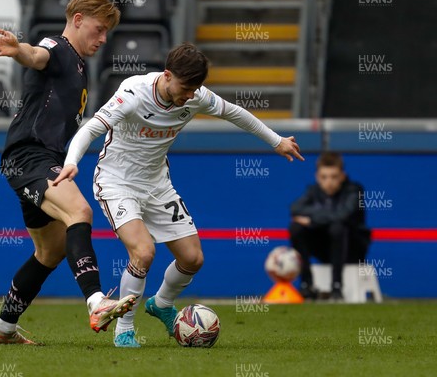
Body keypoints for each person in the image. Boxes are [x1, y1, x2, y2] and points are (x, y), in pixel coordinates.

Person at [53, 43, 304, 347]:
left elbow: (236, 114)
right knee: (144, 252)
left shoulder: (196, 96)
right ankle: (125, 330)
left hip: (157, 185)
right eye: (186, 87)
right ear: (167, 75)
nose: (190, 95)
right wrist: (71, 163)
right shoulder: (133, 93)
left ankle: (160, 304)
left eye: (195, 88)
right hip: (116, 182)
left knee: (193, 258)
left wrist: (276, 141)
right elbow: (91, 128)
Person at [0, 0, 136, 345]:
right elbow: (37, 55)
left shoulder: (79, 64)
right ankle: (97, 302)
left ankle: (3, 327)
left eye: (107, 33)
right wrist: (18, 49)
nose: (102, 39)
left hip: (40, 159)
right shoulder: (59, 47)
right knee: (80, 210)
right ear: (78, 19)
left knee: (49, 252)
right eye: (98, 30)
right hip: (29, 156)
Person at [289, 152, 371, 300]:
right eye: (324, 177)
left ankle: (337, 287)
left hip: (353, 249)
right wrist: (323, 217)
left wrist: (313, 220)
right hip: (325, 248)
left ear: (342, 176)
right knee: (296, 227)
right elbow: (295, 209)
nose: (329, 182)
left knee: (337, 227)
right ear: (317, 177)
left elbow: (343, 215)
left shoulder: (354, 191)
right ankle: (307, 286)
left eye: (334, 177)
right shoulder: (313, 191)